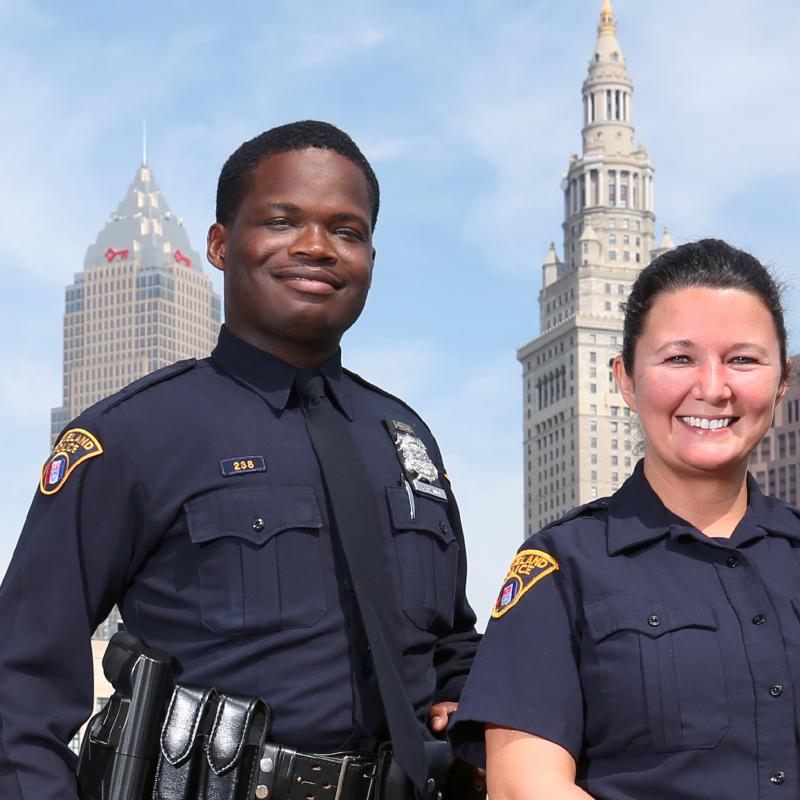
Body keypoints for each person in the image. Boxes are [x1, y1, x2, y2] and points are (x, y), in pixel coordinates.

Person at [0, 121, 481, 800]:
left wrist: (482, 711)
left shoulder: (404, 441)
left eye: (346, 231)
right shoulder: (131, 436)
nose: (317, 247)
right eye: (283, 221)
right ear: (221, 246)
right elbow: (19, 677)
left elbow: (448, 642)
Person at [449, 238, 798, 800]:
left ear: (781, 380)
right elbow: (523, 787)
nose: (712, 387)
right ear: (626, 380)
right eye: (679, 358)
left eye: (743, 359)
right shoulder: (562, 568)